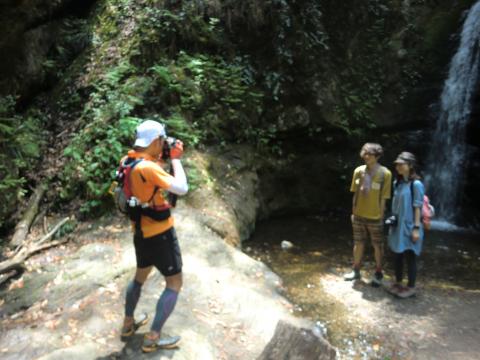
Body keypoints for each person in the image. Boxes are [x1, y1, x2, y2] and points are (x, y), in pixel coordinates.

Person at [119, 120, 188, 352]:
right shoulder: (149, 168)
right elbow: (181, 188)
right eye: (163, 140)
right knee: (174, 283)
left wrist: (162, 158)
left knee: (139, 278)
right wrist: (176, 159)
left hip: (140, 234)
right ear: (156, 140)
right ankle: (153, 337)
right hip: (161, 236)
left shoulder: (128, 161)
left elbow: (147, 179)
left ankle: (128, 324)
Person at [344, 143, 392, 286]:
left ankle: (378, 272)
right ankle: (356, 270)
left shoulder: (385, 174)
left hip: (375, 216)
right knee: (358, 242)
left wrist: (381, 215)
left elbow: (384, 197)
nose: (366, 157)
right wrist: (353, 212)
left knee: (377, 245)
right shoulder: (358, 171)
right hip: (358, 215)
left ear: (377, 156)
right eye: (364, 154)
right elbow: (355, 193)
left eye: (369, 154)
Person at [387, 152, 424, 298]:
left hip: (410, 226)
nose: (398, 166)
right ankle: (398, 282)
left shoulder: (416, 184)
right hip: (397, 224)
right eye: (397, 164)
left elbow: (418, 207)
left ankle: (411, 286)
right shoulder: (398, 182)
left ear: (411, 165)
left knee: (410, 256)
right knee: (397, 254)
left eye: (401, 164)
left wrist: (416, 228)